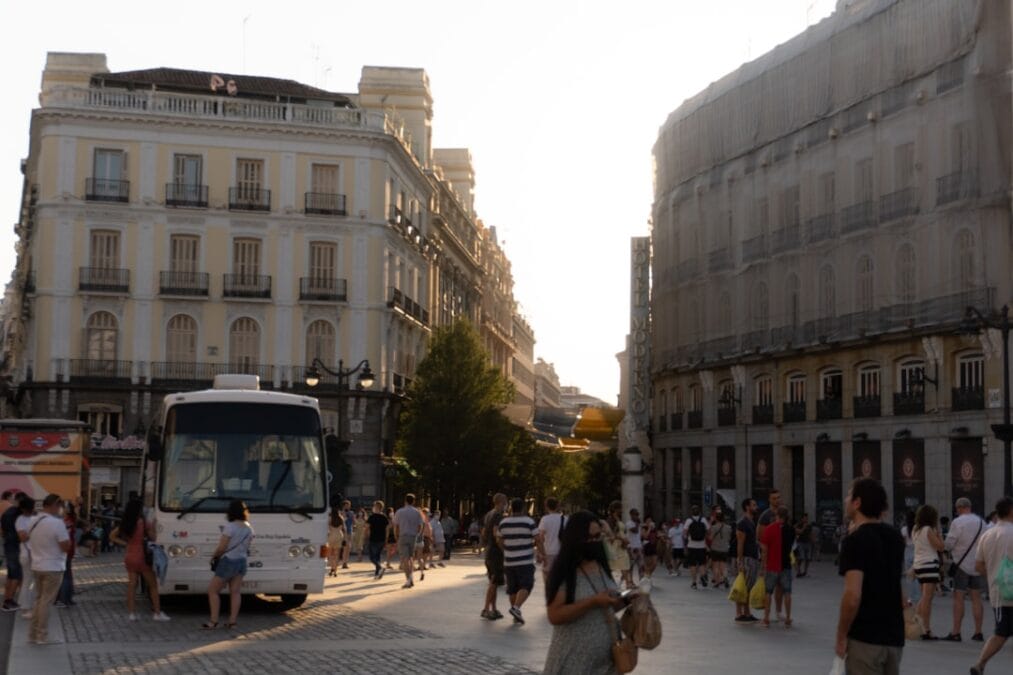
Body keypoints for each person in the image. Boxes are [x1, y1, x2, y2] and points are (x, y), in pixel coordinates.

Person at [543, 510, 635, 674]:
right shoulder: (566, 572)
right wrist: (592, 602)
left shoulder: (601, 566)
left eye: (598, 536)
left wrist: (628, 599)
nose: (596, 541)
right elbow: (554, 615)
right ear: (576, 539)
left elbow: (606, 607)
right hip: (574, 663)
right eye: (590, 538)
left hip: (607, 663)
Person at [835, 478, 905, 674]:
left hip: (865, 637)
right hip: (894, 638)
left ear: (857, 503)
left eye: (849, 495)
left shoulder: (854, 541)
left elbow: (852, 595)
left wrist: (841, 635)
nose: (846, 499)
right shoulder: (895, 537)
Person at [970, 496, 1013, 675]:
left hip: (999, 593)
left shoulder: (987, 535)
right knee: (1001, 634)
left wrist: (996, 575)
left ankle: (980, 664)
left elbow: (978, 566)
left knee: (1001, 632)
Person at [110, 498, 169, 622]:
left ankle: (131, 613)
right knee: (153, 585)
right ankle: (157, 613)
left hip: (129, 555)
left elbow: (112, 536)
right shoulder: (142, 522)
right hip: (141, 556)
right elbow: (153, 538)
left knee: (132, 586)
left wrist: (126, 543)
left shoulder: (125, 523)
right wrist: (153, 527)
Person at [25, 494, 70, 645]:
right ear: (55, 505)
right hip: (53, 566)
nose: (61, 510)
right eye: (60, 506)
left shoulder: (32, 520)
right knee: (46, 601)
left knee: (39, 600)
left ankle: (32, 634)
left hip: (37, 565)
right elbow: (65, 546)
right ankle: (41, 635)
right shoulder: (57, 523)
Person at [202, 499, 253, 629]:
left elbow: (222, 547)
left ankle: (213, 621)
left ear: (230, 512)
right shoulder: (249, 528)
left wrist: (214, 557)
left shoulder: (230, 527)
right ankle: (232, 622)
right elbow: (247, 547)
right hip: (241, 561)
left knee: (213, 591)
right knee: (235, 592)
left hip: (228, 561)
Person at [943, 497, 986, 642]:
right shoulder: (982, 522)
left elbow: (949, 544)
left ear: (959, 508)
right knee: (976, 598)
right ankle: (978, 632)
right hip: (977, 565)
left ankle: (956, 632)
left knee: (958, 597)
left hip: (961, 565)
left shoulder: (958, 522)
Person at [496, 497, 537, 624]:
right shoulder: (529, 522)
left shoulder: (504, 522)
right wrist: (536, 549)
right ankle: (516, 608)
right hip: (525, 561)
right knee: (526, 585)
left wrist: (506, 550)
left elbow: (499, 540)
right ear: (523, 508)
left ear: (511, 508)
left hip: (509, 561)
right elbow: (538, 538)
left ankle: (516, 614)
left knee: (513, 588)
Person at [912, 504, 945, 639]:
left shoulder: (915, 529)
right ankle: (926, 629)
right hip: (929, 564)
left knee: (924, 597)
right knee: (927, 598)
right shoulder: (928, 530)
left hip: (919, 564)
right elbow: (940, 547)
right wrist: (939, 534)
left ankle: (917, 623)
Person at [760, 506, 794, 628]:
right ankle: (788, 618)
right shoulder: (791, 530)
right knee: (787, 592)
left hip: (772, 565)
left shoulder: (769, 529)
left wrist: (763, 566)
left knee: (768, 592)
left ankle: (766, 618)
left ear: (777, 516)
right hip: (786, 565)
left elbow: (764, 550)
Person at [758, 489, 785, 619]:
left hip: (783, 555)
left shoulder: (783, 514)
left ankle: (779, 611)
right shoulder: (765, 516)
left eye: (778, 497)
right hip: (770, 556)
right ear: (769, 500)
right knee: (769, 586)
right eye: (774, 498)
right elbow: (760, 536)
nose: (777, 500)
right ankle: (767, 614)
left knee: (781, 585)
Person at [480, 493, 508, 619]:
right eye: (505, 502)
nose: (506, 505)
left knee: (494, 581)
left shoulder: (489, 514)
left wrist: (486, 544)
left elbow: (484, 532)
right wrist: (504, 550)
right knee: (493, 581)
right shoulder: (497, 515)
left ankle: (494, 609)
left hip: (489, 550)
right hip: (496, 552)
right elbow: (496, 534)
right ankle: (486, 609)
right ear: (501, 502)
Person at [735, 498, 760, 622]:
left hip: (753, 557)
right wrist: (740, 561)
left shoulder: (751, 521)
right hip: (746, 558)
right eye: (754, 505)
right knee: (743, 586)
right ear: (747, 507)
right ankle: (739, 613)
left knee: (749, 586)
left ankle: (747, 612)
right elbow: (740, 543)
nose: (756, 507)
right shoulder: (742, 523)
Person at [1, 492, 27, 612]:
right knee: (16, 575)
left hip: (8, 544)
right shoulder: (18, 514)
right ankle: (8, 602)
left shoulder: (7, 512)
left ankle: (9, 599)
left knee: (12, 575)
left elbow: (2, 530)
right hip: (15, 546)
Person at [392, 493, 423, 589]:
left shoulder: (399, 512)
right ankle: (411, 577)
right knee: (410, 557)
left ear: (405, 500)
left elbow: (396, 526)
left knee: (405, 559)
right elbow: (420, 526)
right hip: (413, 536)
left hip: (403, 535)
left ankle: (408, 579)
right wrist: (416, 534)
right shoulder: (417, 512)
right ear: (413, 501)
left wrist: (396, 537)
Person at [535, 497, 566, 583]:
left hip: (548, 552)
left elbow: (540, 537)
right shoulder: (565, 519)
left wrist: (539, 552)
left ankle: (549, 595)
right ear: (557, 506)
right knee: (560, 579)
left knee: (547, 578)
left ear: (546, 507)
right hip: (562, 552)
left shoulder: (545, 519)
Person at [604, 500, 632, 590]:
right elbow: (611, 534)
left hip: (621, 545)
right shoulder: (610, 519)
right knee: (612, 565)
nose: (622, 510)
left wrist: (624, 540)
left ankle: (628, 583)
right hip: (614, 545)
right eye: (620, 508)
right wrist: (622, 539)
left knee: (625, 563)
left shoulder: (617, 519)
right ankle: (609, 584)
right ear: (616, 509)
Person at [54, 501, 77, 607]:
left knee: (64, 575)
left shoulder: (65, 521)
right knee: (67, 574)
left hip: (64, 550)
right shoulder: (69, 520)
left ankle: (62, 599)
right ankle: (67, 598)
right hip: (68, 549)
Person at [685, 504, 708, 589]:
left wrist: (687, 539)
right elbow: (708, 530)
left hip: (692, 545)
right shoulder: (704, 520)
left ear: (691, 512)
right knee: (702, 563)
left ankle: (694, 582)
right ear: (699, 512)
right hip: (701, 545)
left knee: (692, 564)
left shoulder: (689, 520)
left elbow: (684, 532)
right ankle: (702, 576)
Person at [364, 500, 389, 579]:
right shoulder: (384, 517)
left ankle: (380, 567)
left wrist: (365, 536)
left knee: (372, 557)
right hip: (382, 539)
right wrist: (386, 538)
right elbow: (387, 529)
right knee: (377, 556)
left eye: (374, 506)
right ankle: (377, 573)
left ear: (377, 507)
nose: (373, 508)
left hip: (373, 538)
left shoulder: (372, 517)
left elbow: (367, 528)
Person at [709, 510, 730, 589]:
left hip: (715, 548)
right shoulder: (728, 527)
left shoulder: (714, 527)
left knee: (716, 566)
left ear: (716, 518)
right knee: (723, 566)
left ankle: (717, 581)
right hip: (724, 548)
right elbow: (729, 538)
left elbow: (710, 538)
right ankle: (725, 577)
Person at [326, 507, 345, 577]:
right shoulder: (341, 518)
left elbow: (328, 528)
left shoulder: (330, 519)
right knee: (337, 555)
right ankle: (335, 571)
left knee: (330, 554)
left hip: (331, 535)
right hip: (339, 535)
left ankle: (332, 568)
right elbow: (343, 528)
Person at [626, 508, 644, 580]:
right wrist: (637, 523)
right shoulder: (629, 523)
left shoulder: (638, 524)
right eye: (635, 514)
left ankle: (642, 580)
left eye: (638, 514)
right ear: (631, 515)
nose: (637, 516)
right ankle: (630, 581)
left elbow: (639, 535)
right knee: (631, 565)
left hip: (638, 546)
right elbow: (635, 531)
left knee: (641, 565)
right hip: (631, 547)